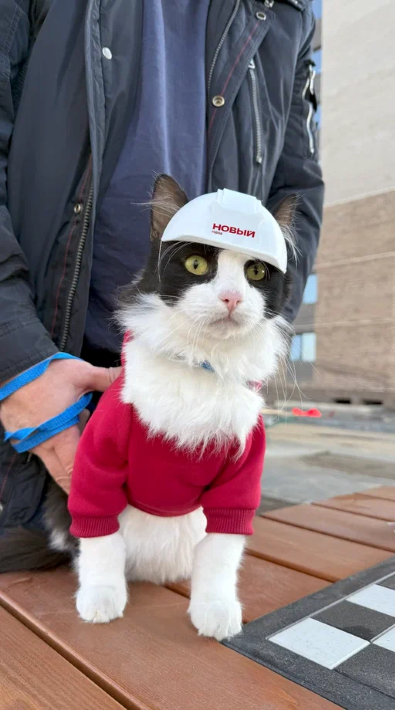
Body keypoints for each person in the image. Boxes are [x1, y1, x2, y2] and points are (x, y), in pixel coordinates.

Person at [0, 0, 323, 534]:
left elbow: (297, 194)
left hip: (191, 436)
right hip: (32, 413)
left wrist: (254, 340)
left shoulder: (288, 11)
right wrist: (16, 361)